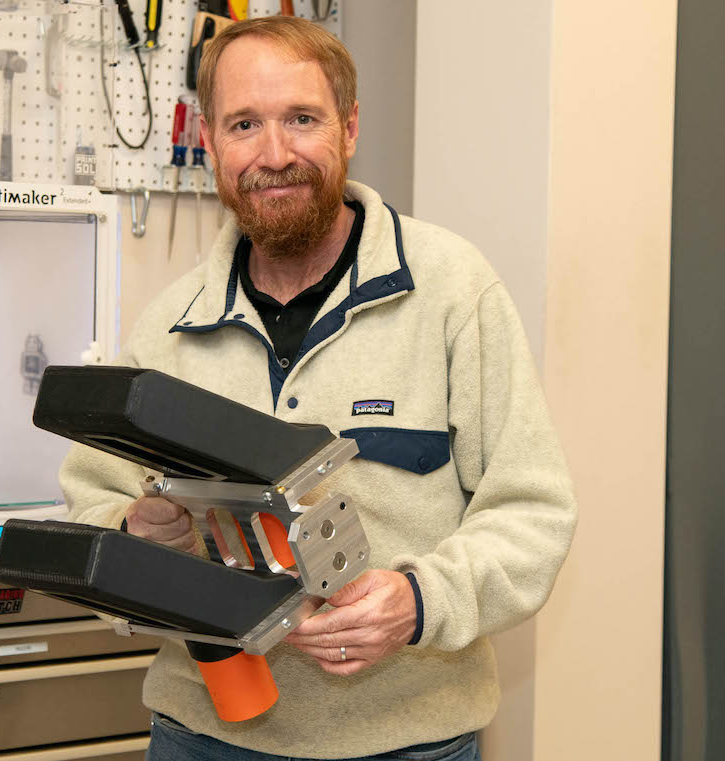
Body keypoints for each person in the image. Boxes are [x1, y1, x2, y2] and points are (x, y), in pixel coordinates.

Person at [59, 16, 577, 761]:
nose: (275, 155)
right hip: (203, 738)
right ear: (209, 141)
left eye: (302, 118)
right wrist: (142, 537)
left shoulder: (452, 293)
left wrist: (420, 600)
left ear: (350, 127)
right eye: (245, 124)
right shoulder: (167, 329)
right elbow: (92, 508)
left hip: (411, 745)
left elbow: (534, 512)